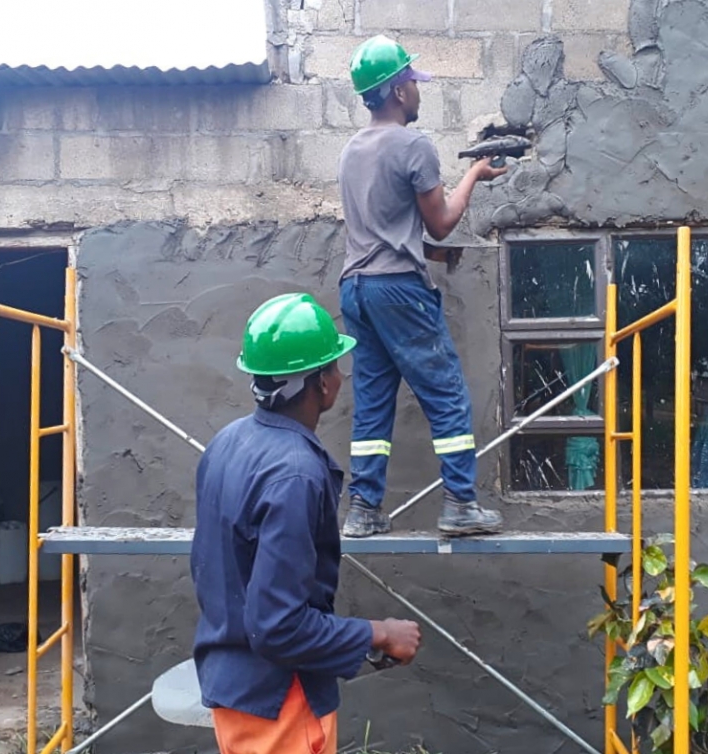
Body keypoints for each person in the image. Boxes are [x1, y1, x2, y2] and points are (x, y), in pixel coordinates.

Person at [191, 292, 422, 754]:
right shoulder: (295, 473)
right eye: (335, 366)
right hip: (280, 704)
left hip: (236, 693)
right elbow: (278, 626)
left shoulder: (227, 442)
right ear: (319, 384)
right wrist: (378, 632)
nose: (340, 375)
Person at [338, 35, 508, 538]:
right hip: (398, 291)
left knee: (372, 402)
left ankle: (363, 510)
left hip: (357, 289)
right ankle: (459, 503)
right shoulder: (414, 146)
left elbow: (383, 225)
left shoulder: (351, 151)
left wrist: (428, 251)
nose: (418, 90)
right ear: (395, 91)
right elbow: (440, 223)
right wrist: (474, 174)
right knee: (446, 393)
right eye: (413, 82)